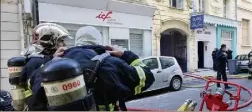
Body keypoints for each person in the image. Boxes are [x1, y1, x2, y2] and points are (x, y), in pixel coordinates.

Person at [26, 26, 155, 111]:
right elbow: (147, 77)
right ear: (99, 42)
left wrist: (50, 62)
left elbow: (32, 86)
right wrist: (126, 55)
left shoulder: (55, 64)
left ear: (77, 42)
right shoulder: (111, 63)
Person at [19, 23, 72, 110]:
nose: (64, 44)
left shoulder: (47, 59)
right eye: (61, 41)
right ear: (50, 41)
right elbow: (35, 96)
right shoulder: (35, 62)